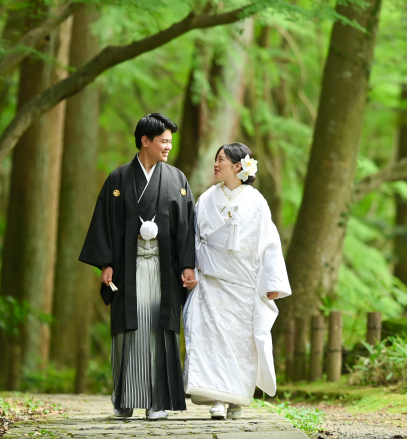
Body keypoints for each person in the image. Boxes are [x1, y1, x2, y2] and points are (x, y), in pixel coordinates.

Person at [79, 113, 197, 420]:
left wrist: (187, 265)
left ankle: (157, 401)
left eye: (171, 141)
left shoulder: (177, 180)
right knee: (129, 331)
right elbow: (104, 225)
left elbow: (186, 225)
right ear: (145, 141)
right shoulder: (118, 179)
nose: (169, 146)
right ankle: (124, 398)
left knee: (160, 329)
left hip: (163, 269)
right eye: (164, 141)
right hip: (127, 270)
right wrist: (105, 263)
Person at [183, 142, 291, 420]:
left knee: (241, 343)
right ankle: (216, 398)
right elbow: (193, 238)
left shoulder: (256, 202)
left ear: (238, 166)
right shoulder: (206, 198)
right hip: (211, 281)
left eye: (221, 160)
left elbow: (269, 243)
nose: (216, 165)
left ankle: (238, 398)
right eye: (216, 159)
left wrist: (272, 282)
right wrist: (190, 268)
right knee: (211, 340)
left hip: (243, 283)